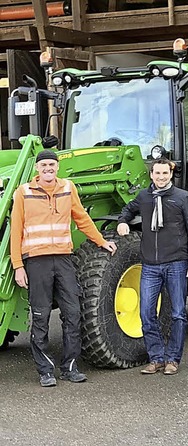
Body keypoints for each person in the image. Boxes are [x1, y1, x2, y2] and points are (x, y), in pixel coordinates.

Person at [10, 149, 118, 387]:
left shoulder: (68, 188)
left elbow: (82, 219)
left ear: (57, 167)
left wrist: (101, 241)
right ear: (37, 169)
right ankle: (45, 371)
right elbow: (16, 229)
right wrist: (18, 265)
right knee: (41, 316)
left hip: (63, 259)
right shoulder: (24, 192)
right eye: (44, 165)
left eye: (52, 165)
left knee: (73, 312)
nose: (48, 168)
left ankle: (70, 366)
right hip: (36, 262)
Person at [117, 158, 188, 376]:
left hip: (176, 263)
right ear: (151, 175)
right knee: (146, 313)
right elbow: (127, 209)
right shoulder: (144, 197)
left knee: (178, 313)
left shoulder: (183, 198)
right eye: (157, 174)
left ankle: (173, 359)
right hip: (150, 265)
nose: (161, 177)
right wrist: (122, 221)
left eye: (165, 173)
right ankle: (156, 358)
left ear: (170, 175)